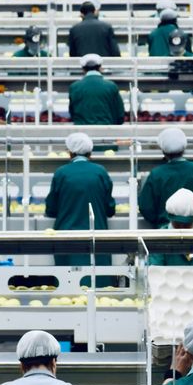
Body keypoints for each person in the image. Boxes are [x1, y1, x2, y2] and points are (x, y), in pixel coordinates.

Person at [45, 132, 117, 275]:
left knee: (68, 284)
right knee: (98, 283)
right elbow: (110, 209)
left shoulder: (61, 173)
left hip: (67, 238)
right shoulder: (100, 172)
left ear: (70, 153)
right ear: (90, 153)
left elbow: (51, 209)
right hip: (96, 235)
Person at [139, 127, 193, 227]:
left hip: (166, 232)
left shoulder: (156, 174)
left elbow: (146, 207)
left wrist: (159, 221)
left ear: (163, 151)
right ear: (184, 148)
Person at [68, 54, 125, 126]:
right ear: (100, 68)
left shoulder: (74, 87)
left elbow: (72, 112)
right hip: (106, 131)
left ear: (83, 69)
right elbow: (120, 114)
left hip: (82, 131)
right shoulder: (111, 86)